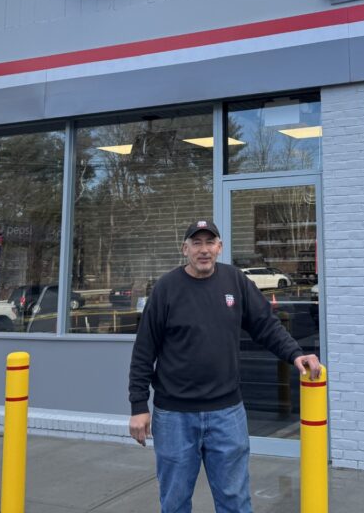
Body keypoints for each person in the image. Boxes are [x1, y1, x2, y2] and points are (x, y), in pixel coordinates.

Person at [128, 219, 323, 513]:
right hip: (174, 416)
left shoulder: (235, 281)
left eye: (210, 242)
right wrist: (138, 405)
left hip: (226, 414)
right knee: (174, 502)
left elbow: (266, 326)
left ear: (219, 247)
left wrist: (295, 354)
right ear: (185, 249)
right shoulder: (166, 288)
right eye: (196, 243)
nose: (203, 250)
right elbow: (145, 349)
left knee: (235, 501)